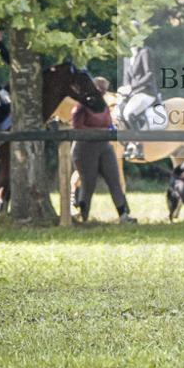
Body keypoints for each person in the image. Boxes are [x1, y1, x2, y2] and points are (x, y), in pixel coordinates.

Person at [71, 76, 136, 223]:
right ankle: (84, 216)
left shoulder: (104, 106)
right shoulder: (81, 105)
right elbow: (77, 126)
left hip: (104, 146)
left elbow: (108, 123)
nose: (103, 93)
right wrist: (98, 131)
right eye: (101, 89)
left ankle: (123, 215)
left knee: (114, 180)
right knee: (88, 184)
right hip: (86, 147)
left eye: (105, 91)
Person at [119, 20, 159, 160]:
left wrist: (132, 88)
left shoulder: (145, 52)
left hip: (146, 92)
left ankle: (138, 147)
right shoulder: (127, 56)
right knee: (118, 111)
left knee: (129, 113)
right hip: (133, 93)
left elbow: (149, 74)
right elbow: (126, 77)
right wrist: (124, 89)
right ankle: (128, 144)